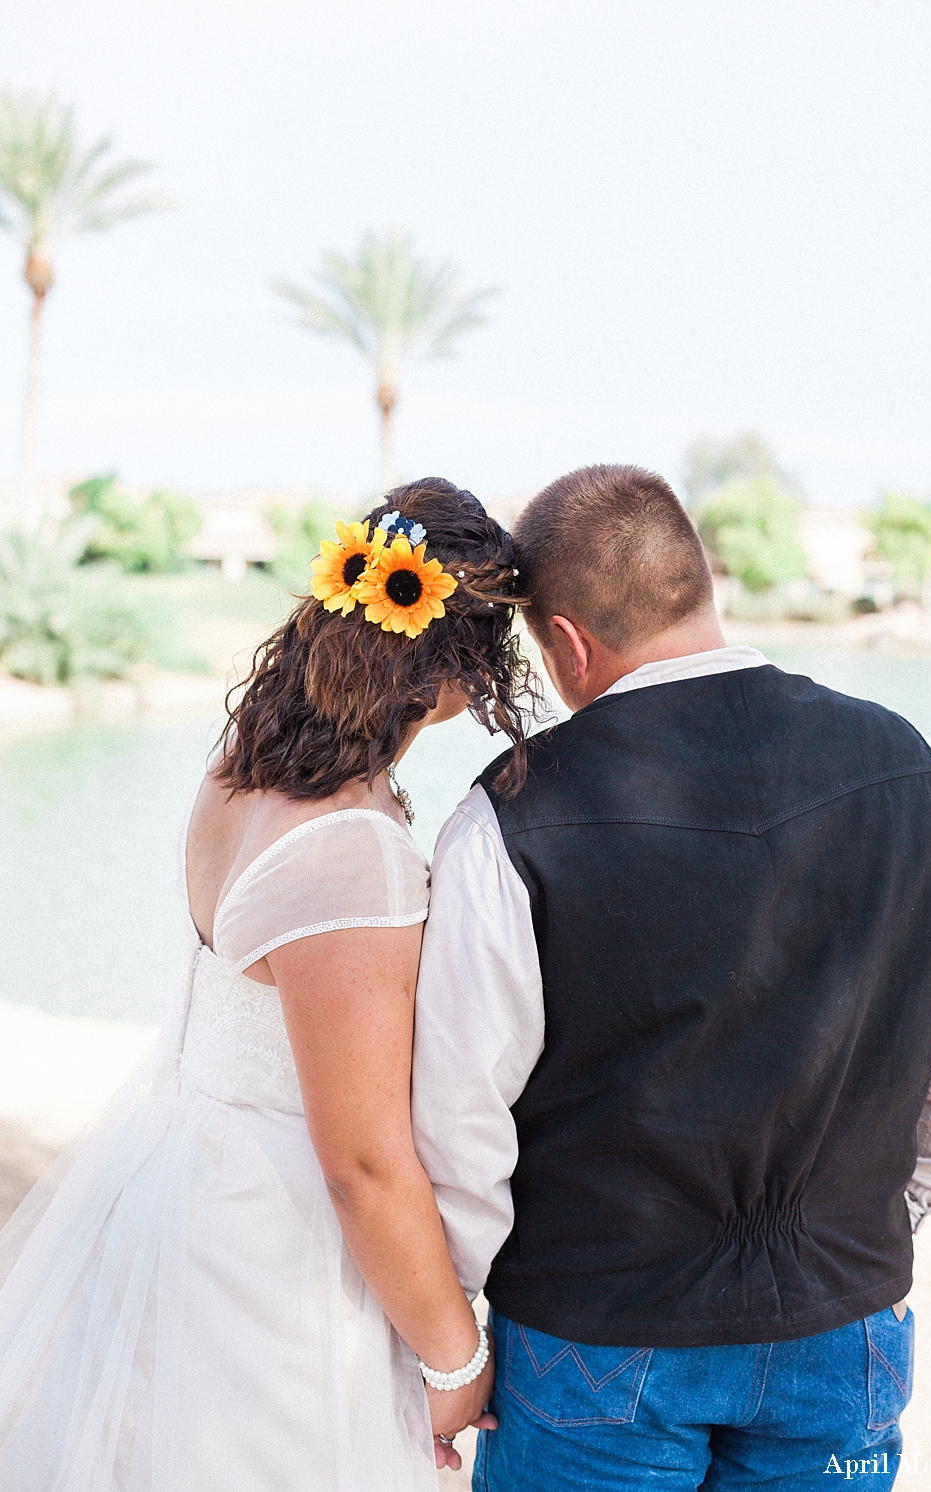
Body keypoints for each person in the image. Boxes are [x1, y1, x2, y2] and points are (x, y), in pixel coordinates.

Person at [412, 464, 931, 1491]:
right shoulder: (926, 771)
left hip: (594, 1331)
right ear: (700, 585)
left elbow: (462, 1116)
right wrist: (893, 1210)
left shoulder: (505, 817)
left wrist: (453, 1327)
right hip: (840, 1309)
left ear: (567, 642)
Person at [0, 478, 540, 1490]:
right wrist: (455, 1360)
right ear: (455, 664)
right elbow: (362, 1163)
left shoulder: (240, 763)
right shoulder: (352, 852)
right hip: (277, 1255)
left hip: (178, 1178)